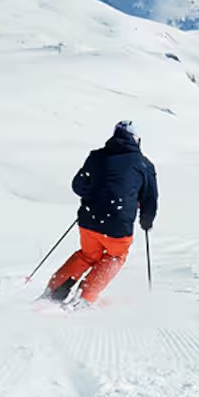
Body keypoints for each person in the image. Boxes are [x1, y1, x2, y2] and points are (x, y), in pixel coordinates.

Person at [46, 121, 159, 306]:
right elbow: (150, 198)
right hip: (118, 226)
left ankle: (52, 293)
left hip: (89, 220)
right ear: (137, 140)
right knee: (115, 257)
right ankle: (84, 299)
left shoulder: (96, 156)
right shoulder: (144, 165)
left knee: (87, 255)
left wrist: (97, 196)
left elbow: (78, 185)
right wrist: (146, 221)